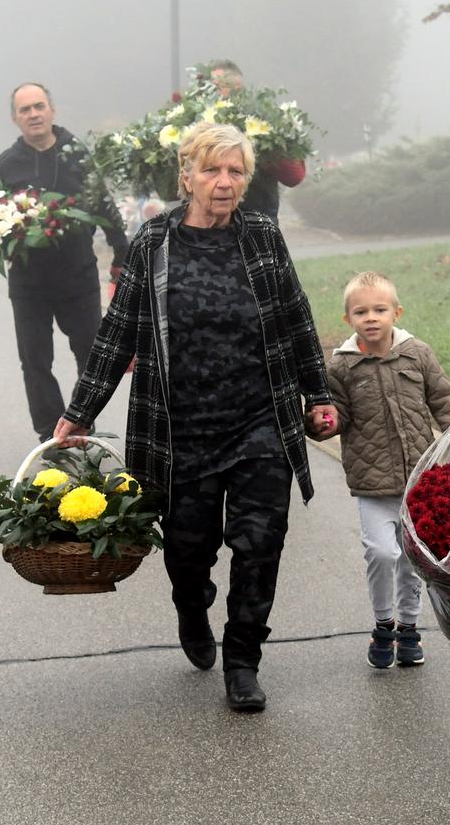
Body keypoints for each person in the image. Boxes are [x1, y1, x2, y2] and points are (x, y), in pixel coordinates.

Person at [53, 122, 334, 713]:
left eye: (236, 171)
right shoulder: (154, 241)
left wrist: (319, 393)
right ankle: (190, 604)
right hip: (180, 429)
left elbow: (295, 318)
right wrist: (80, 413)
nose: (225, 182)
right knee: (187, 551)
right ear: (186, 177)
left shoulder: (262, 237)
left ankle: (243, 660)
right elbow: (119, 333)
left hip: (259, 418)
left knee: (261, 541)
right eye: (212, 170)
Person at [326, 271, 450, 669]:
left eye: (380, 309)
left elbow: (443, 401)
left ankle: (409, 629)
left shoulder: (418, 354)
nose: (371, 317)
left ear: (396, 312)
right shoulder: (342, 366)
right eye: (361, 311)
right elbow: (337, 415)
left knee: (412, 559)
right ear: (348, 319)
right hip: (372, 484)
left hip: (418, 481)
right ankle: (384, 624)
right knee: (382, 553)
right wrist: (323, 421)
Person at [0, 82, 130, 440]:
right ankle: (50, 437)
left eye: (39, 106)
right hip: (28, 283)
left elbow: (102, 203)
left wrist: (121, 249)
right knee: (36, 362)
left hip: (77, 276)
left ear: (52, 110)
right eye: (25, 110)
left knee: (91, 356)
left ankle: (81, 424)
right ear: (14, 118)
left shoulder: (76, 154)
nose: (34, 114)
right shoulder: (7, 165)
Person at [205, 60, 285, 224]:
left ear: (238, 86)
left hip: (256, 222)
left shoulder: (263, 121)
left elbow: (294, 175)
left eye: (219, 85)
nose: (212, 91)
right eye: (211, 85)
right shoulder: (198, 123)